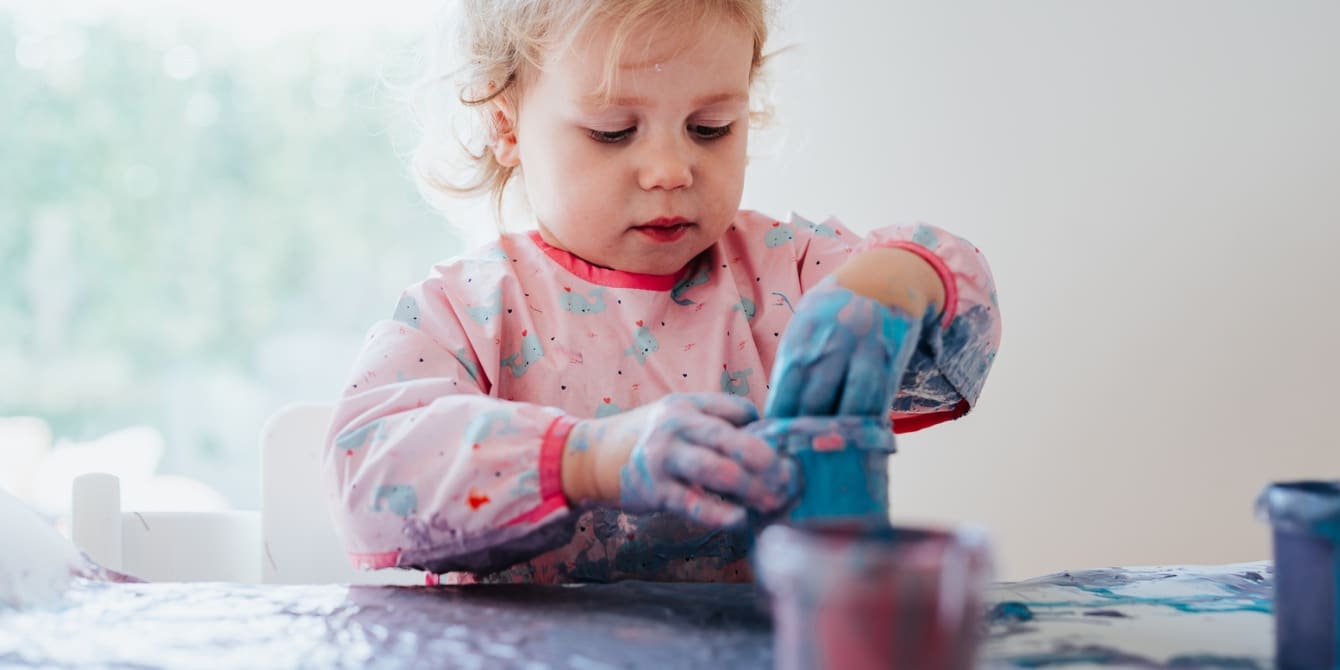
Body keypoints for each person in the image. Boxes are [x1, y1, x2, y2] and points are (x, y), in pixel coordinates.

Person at [324, 0, 1001, 584]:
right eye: (614, 132)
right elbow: (370, 477)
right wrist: (590, 461)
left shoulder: (786, 277)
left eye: (712, 127)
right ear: (507, 128)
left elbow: (960, 289)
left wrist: (897, 282)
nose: (672, 168)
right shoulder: (463, 314)